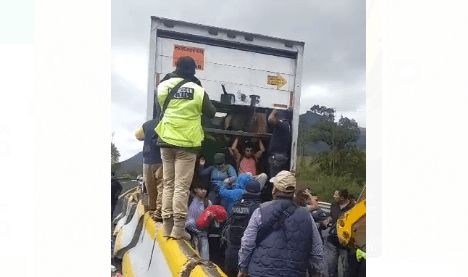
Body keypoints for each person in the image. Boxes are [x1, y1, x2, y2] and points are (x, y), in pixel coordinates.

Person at [155, 56, 216, 240]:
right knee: (181, 187)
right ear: (193, 71)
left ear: (176, 67)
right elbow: (211, 113)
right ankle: (178, 229)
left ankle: (167, 227)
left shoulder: (163, 86)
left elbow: (161, 107)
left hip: (166, 140)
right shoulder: (198, 90)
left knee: (168, 184)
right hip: (187, 144)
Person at [237, 171, 327, 277]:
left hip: (260, 272)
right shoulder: (306, 215)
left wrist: (243, 267)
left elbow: (247, 243)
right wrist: (317, 271)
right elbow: (316, 249)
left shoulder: (260, 211)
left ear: (274, 189)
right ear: (293, 191)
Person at [223, 179, 262, 277]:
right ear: (259, 192)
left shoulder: (236, 204)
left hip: (231, 251)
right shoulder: (258, 209)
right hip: (247, 256)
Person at [135, 118, 164, 221]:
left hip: (147, 161)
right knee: (162, 188)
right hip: (161, 160)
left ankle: (152, 211)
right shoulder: (167, 121)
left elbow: (138, 136)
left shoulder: (147, 124)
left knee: (150, 188)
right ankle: (159, 212)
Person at [322, 189, 356, 277]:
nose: (333, 197)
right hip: (333, 239)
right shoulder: (334, 205)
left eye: (336, 195)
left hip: (345, 242)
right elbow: (331, 216)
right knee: (331, 265)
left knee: (345, 267)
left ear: (342, 198)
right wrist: (328, 220)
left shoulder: (353, 207)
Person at [185, 183, 211, 260]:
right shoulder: (189, 200)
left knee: (205, 260)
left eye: (205, 189)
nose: (203, 191)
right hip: (189, 235)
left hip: (203, 235)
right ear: (196, 190)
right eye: (201, 189)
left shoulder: (208, 203)